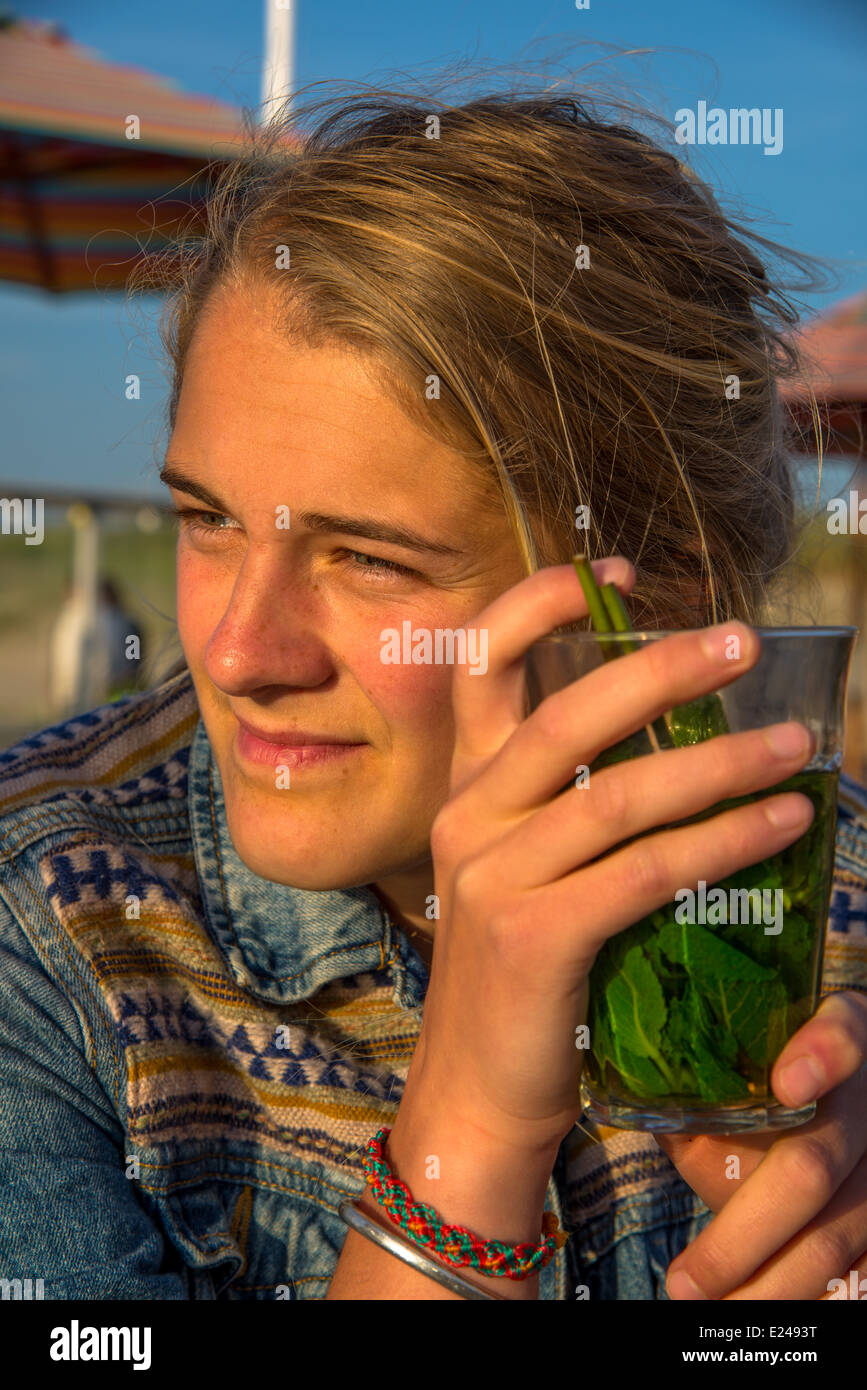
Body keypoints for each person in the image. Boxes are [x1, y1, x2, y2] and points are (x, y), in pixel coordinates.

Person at [1, 84, 865, 1302]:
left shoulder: (837, 926)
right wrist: (469, 1133)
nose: (240, 652)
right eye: (207, 519)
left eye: (368, 558)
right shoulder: (50, 933)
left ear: (657, 594)